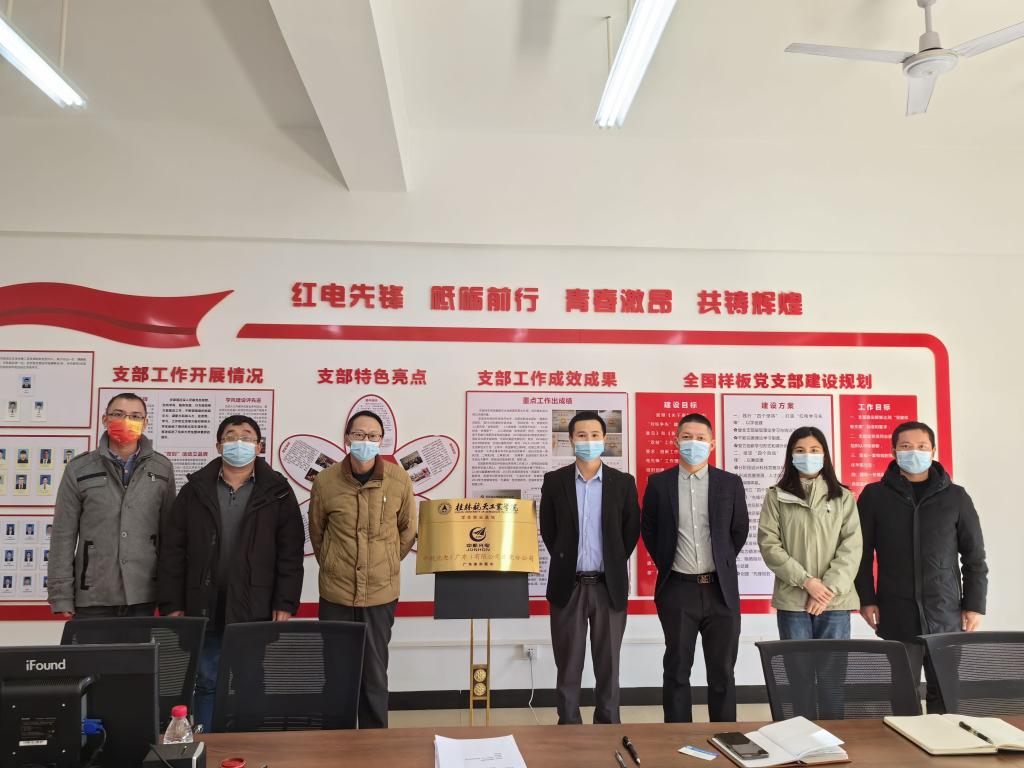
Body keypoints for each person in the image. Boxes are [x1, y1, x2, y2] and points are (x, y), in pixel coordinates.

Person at [159, 414, 304, 733]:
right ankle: (208, 746)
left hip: (256, 604)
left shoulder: (278, 491)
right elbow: (172, 549)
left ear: (259, 446)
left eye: (247, 436)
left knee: (252, 681)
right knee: (207, 681)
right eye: (231, 436)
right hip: (204, 603)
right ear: (218, 445)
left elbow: (290, 551)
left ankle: (249, 747)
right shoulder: (195, 490)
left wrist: (285, 601)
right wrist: (172, 602)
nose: (239, 442)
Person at [855, 421, 987, 713]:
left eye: (921, 446)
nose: (913, 452)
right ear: (893, 451)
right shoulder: (875, 496)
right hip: (896, 611)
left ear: (933, 451)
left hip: (946, 612)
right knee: (902, 694)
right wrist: (866, 599)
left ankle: (946, 739)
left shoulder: (956, 497)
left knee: (947, 694)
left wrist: (974, 604)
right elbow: (860, 554)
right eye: (906, 446)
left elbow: (974, 557)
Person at [309, 409, 416, 729]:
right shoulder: (325, 481)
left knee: (374, 674)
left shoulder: (398, 480)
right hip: (336, 594)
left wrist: (385, 561)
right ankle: (336, 742)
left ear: (381, 440)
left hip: (380, 593)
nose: (365, 441)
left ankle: (375, 744)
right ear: (346, 438)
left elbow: (408, 529)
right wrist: (333, 563)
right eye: (359, 435)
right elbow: (318, 532)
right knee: (336, 673)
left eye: (372, 436)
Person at [641, 413, 749, 723]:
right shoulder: (659, 484)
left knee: (722, 672)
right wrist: (670, 562)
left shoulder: (729, 483)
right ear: (676, 441)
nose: (694, 443)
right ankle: (676, 736)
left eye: (701, 438)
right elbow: (650, 529)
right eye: (687, 437)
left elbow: (738, 530)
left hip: (720, 590)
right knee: (676, 669)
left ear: (712, 444)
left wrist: (721, 563)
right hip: (678, 589)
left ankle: (725, 735)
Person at [539, 410, 640, 725]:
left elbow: (630, 532)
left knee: (608, 664)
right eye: (581, 435)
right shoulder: (554, 481)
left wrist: (612, 562)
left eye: (595, 435)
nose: (588, 441)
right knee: (568, 664)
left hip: (608, 587)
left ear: (605, 439)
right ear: (570, 439)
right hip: (567, 586)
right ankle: (568, 726)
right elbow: (549, 530)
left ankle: (608, 726)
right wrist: (568, 561)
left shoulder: (622, 483)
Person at [48, 393, 175, 618]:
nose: (127, 421)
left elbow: (169, 534)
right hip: (93, 593)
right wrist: (61, 594)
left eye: (135, 416)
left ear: (145, 423)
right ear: (105, 419)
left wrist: (170, 596)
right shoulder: (79, 468)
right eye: (118, 414)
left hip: (144, 593)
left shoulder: (162, 468)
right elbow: (63, 534)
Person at [758, 426, 862, 640]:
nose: (807, 455)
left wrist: (826, 590)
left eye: (814, 450)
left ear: (824, 455)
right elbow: (769, 545)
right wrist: (807, 582)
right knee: (796, 662)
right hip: (793, 600)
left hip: (834, 600)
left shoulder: (842, 497)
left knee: (833, 662)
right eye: (800, 450)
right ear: (791, 455)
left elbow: (852, 546)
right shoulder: (776, 496)